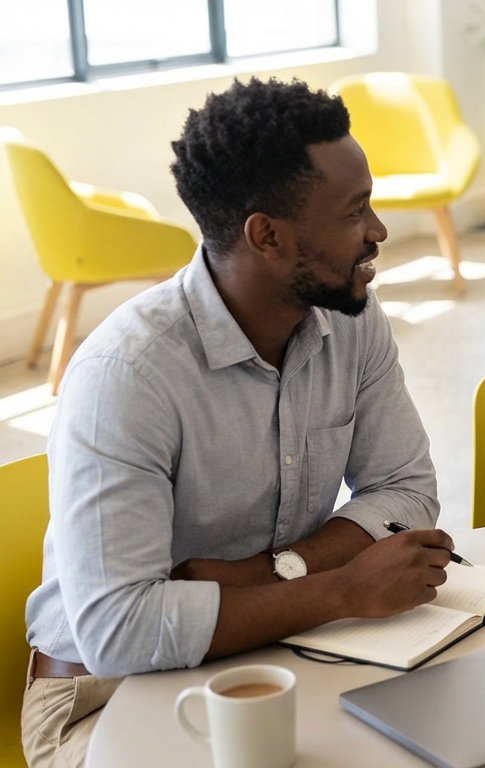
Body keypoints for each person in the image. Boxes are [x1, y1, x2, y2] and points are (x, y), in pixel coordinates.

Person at [21, 78, 455, 767]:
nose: (378, 231)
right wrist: (341, 587)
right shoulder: (127, 374)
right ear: (268, 236)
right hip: (98, 698)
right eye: (355, 211)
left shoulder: (352, 318)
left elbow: (405, 489)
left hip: (276, 650)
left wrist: (270, 572)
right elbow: (118, 630)